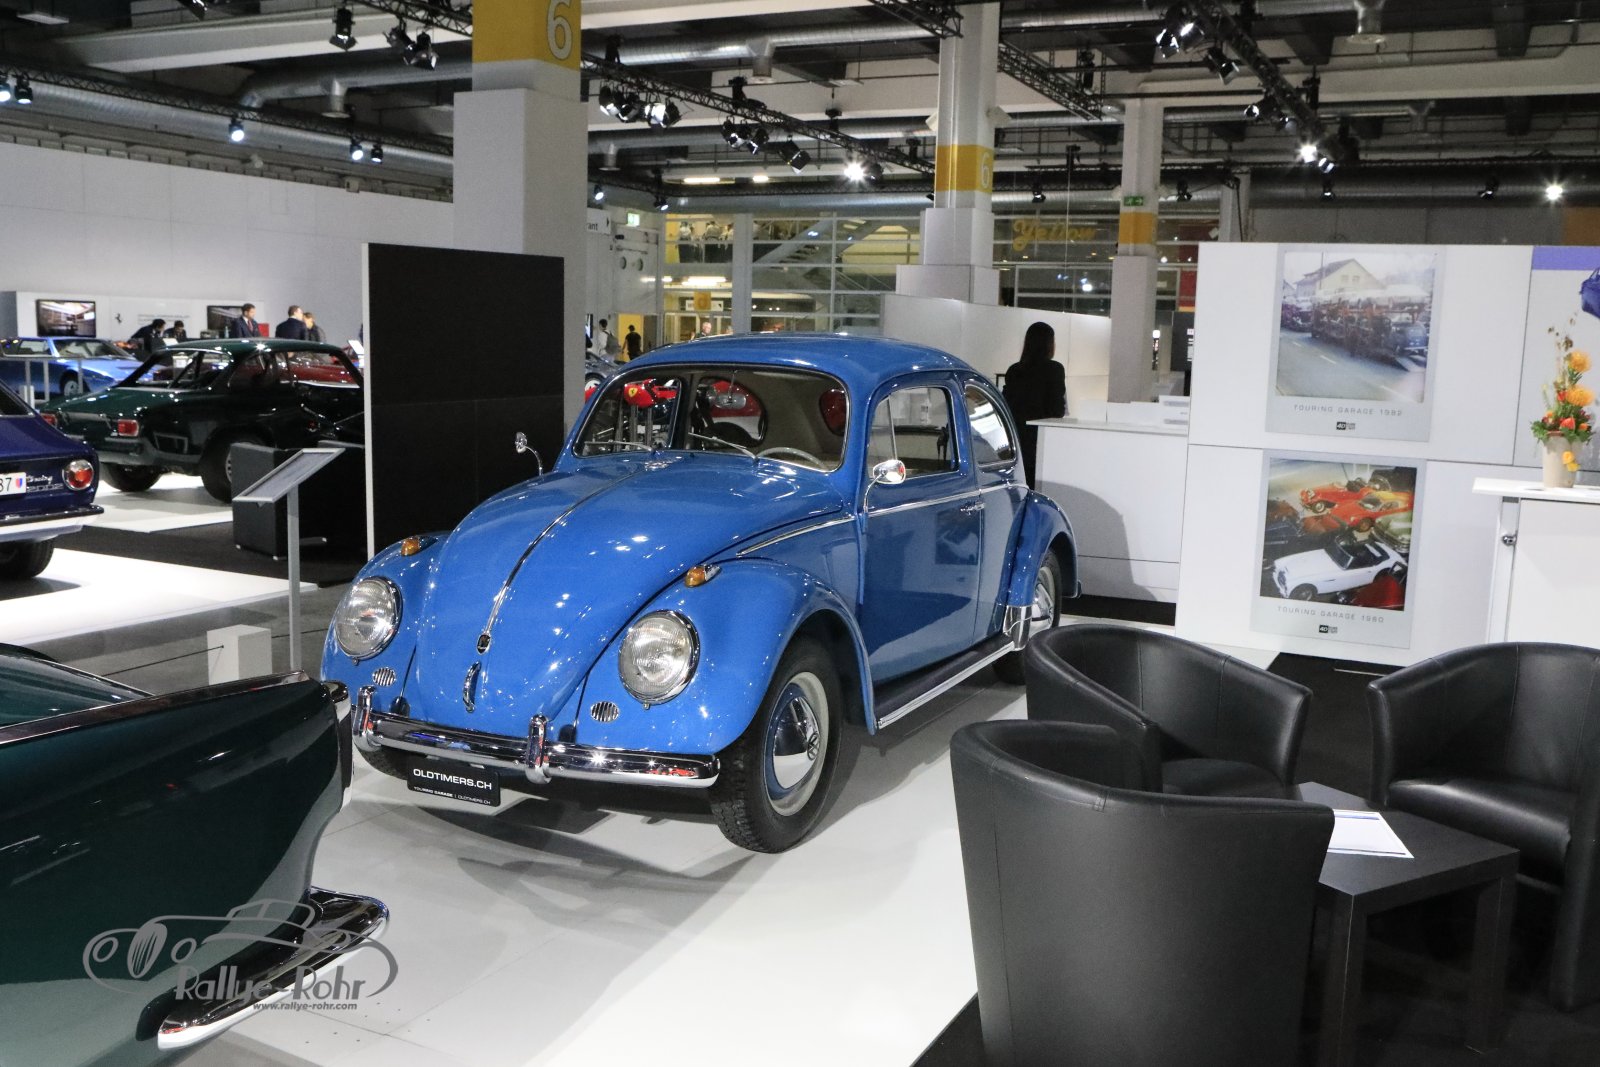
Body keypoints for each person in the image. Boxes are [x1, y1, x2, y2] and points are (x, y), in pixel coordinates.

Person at [1001, 321, 1066, 489]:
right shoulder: (1055, 369)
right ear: (1049, 344)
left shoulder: (1014, 370)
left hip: (1016, 440)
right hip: (1042, 441)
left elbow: (1007, 405)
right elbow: (1057, 410)